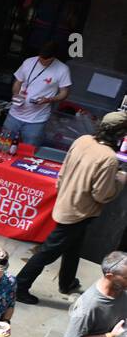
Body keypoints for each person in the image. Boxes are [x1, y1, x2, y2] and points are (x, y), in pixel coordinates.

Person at [15, 113, 127, 304]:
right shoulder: (108, 158)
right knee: (46, 253)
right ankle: (19, 287)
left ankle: (67, 282)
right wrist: (120, 179)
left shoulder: (83, 140)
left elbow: (64, 170)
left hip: (66, 202)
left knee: (73, 247)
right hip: (80, 212)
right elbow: (101, 194)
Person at [4, 41, 72, 149]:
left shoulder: (62, 69)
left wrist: (49, 99)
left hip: (37, 119)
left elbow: (64, 93)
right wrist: (16, 94)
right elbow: (18, 81)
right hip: (14, 114)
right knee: (4, 144)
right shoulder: (29, 62)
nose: (42, 62)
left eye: (46, 61)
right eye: (40, 59)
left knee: (29, 150)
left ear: (53, 57)